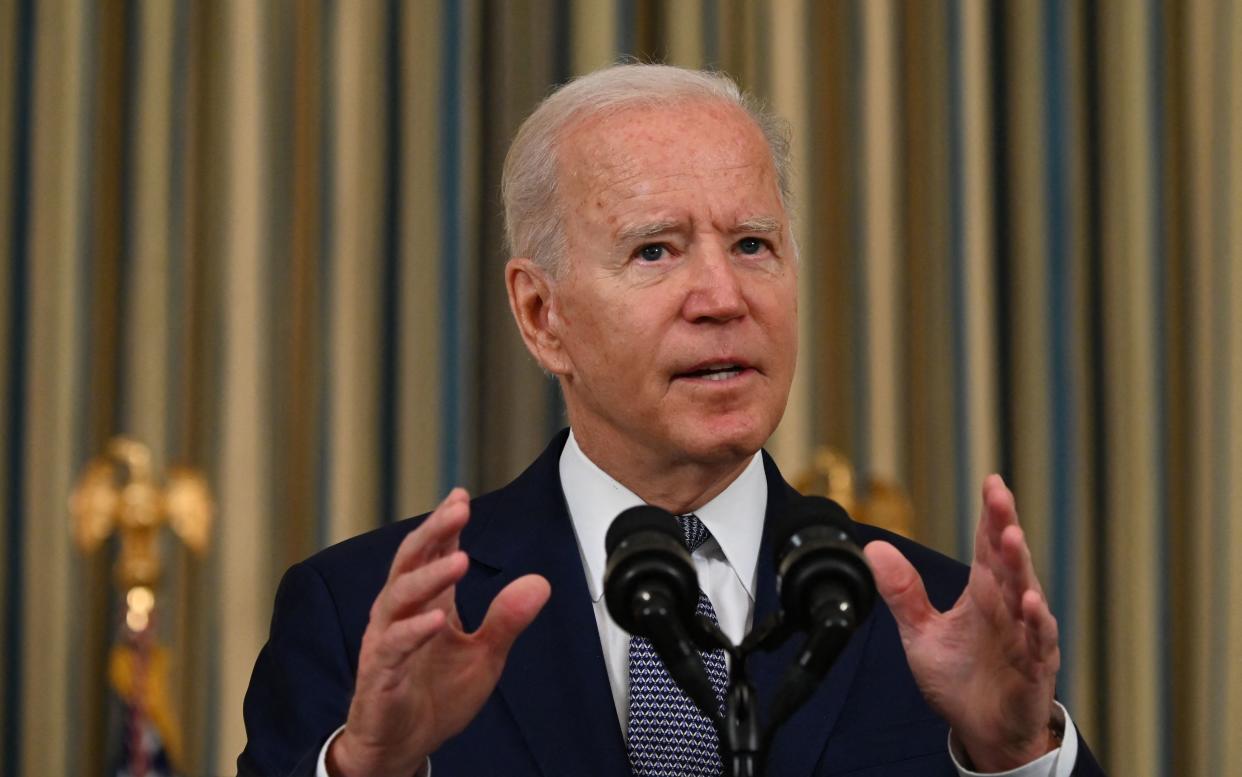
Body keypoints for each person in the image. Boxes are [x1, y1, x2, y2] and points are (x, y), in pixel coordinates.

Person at [238, 64, 1103, 777]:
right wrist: (370, 767)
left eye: (753, 244)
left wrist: (1015, 754)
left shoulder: (939, 621)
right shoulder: (362, 619)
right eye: (656, 249)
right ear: (542, 315)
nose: (723, 298)